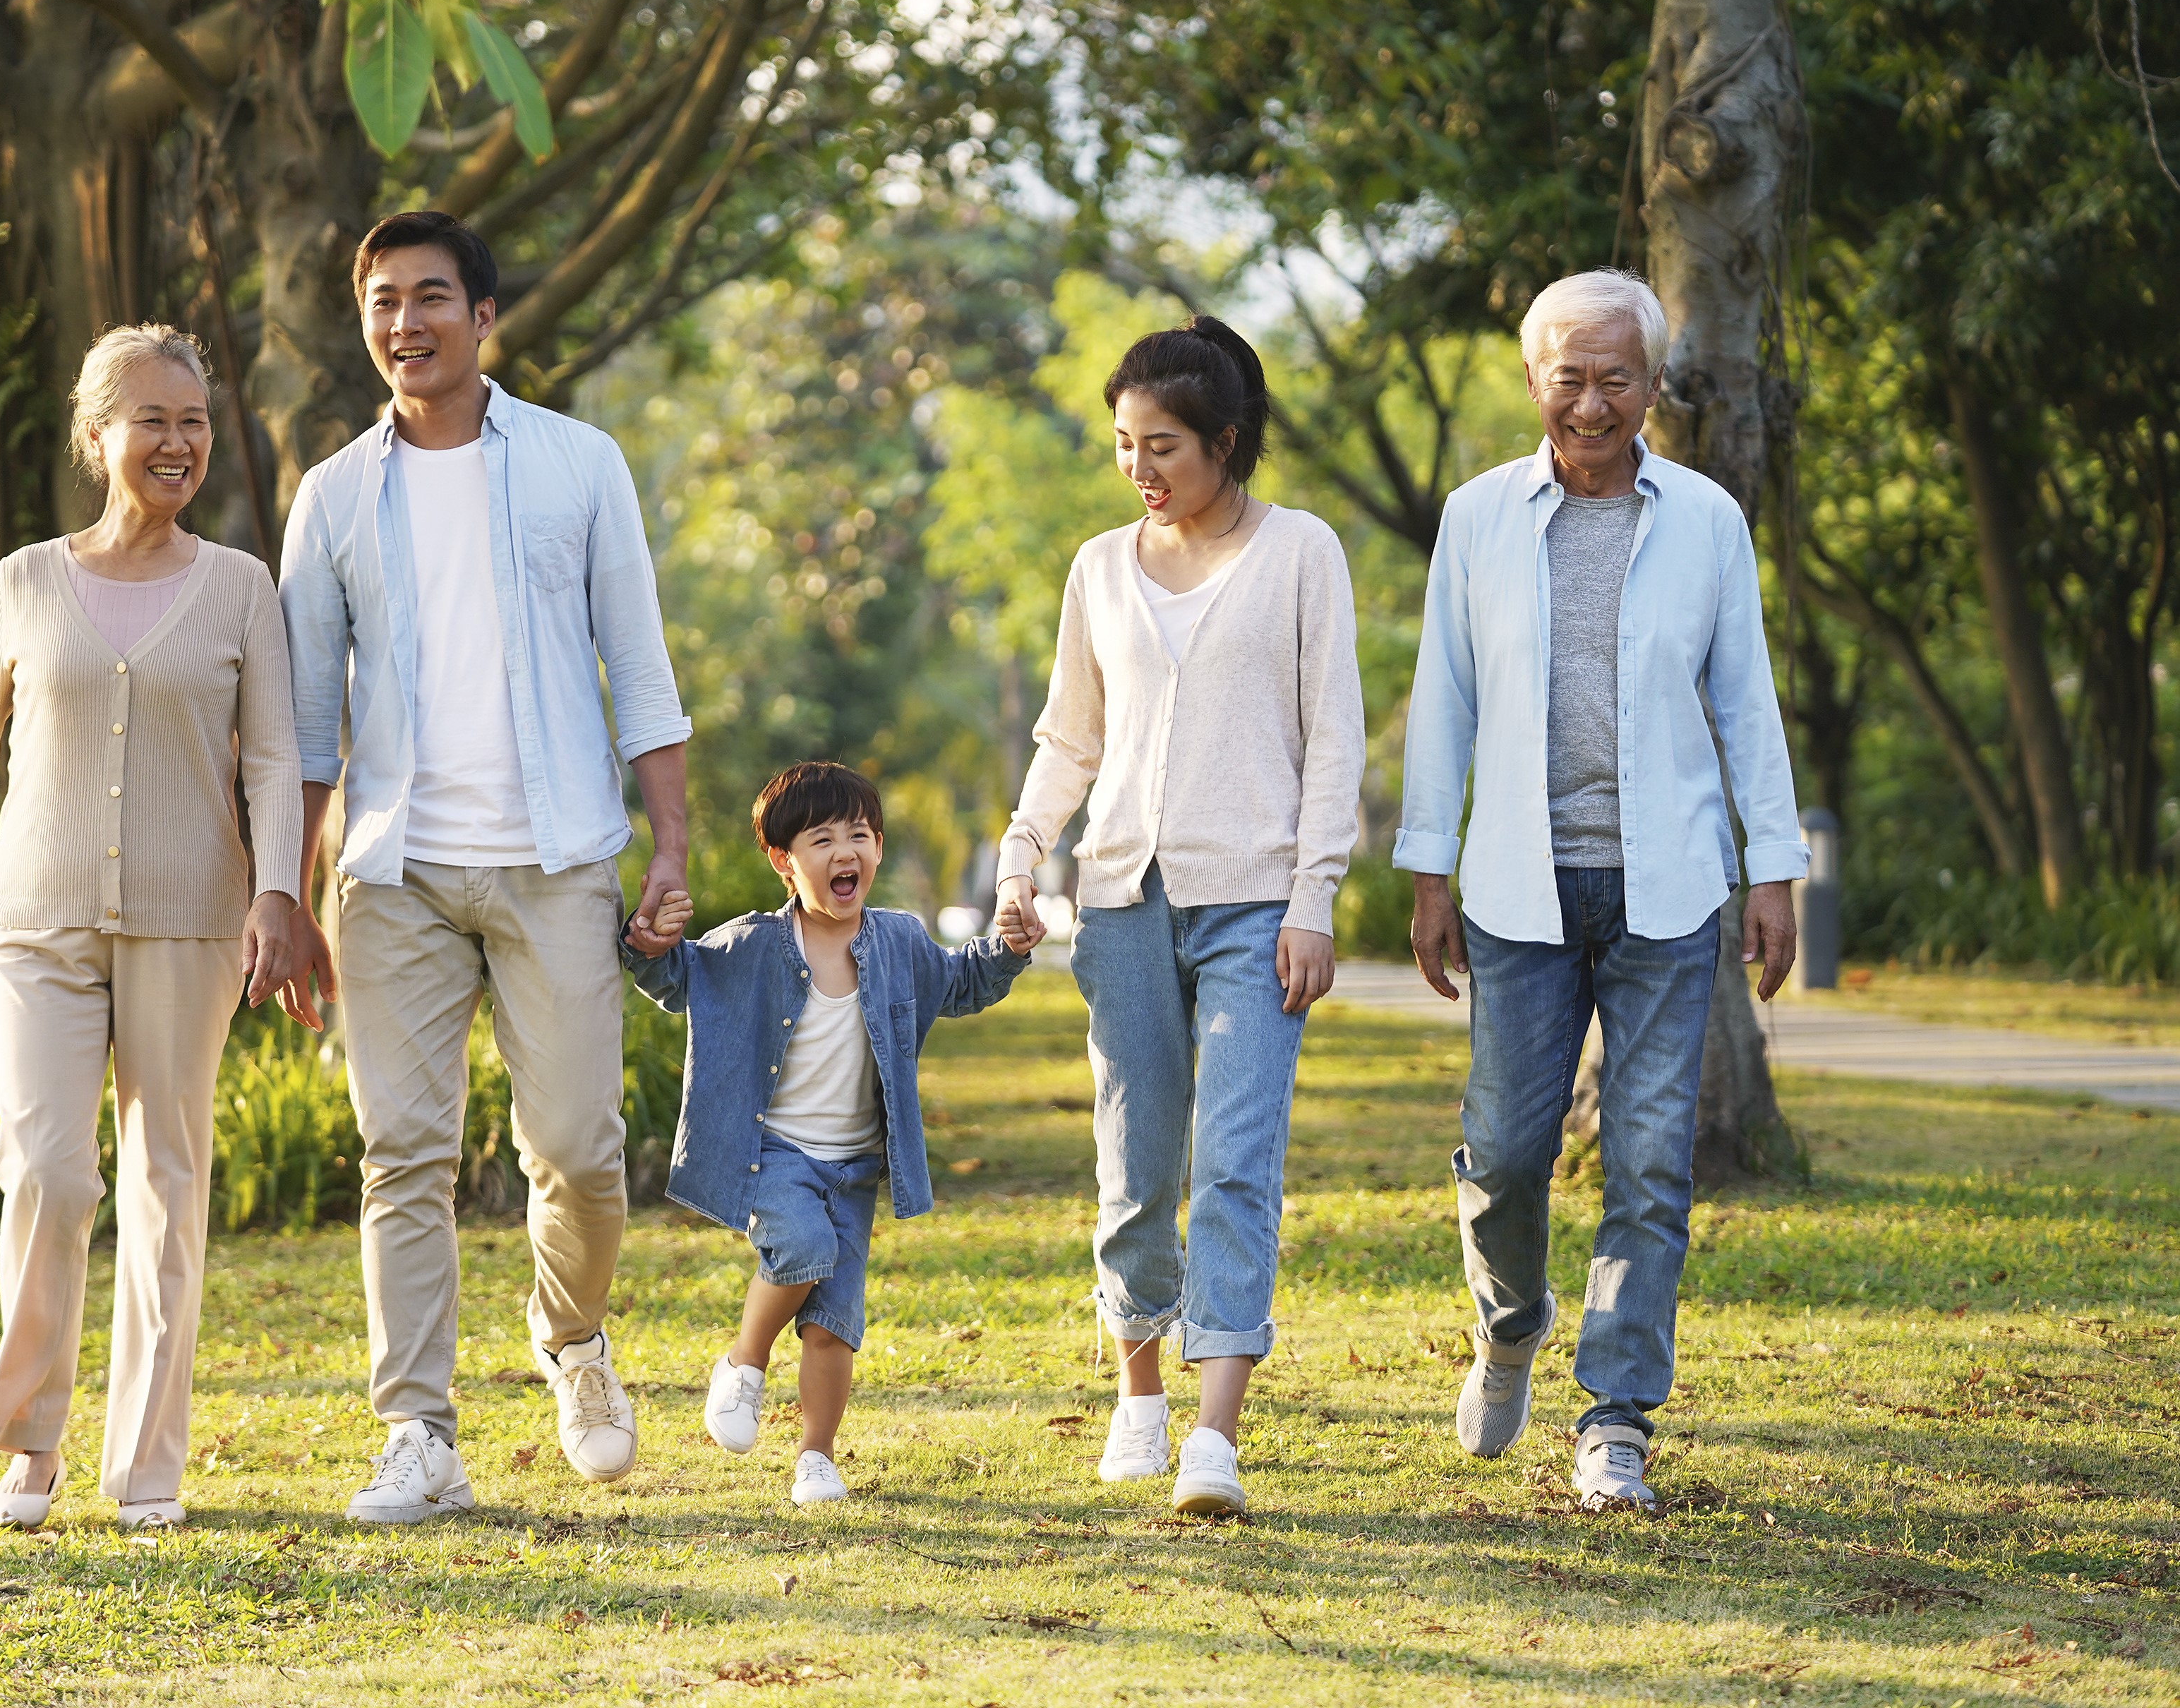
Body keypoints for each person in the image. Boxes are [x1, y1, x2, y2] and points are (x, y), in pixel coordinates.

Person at [279, 211, 692, 1521]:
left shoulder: (578, 464)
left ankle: (571, 1339)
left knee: (578, 1150)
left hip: (553, 855)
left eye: (431, 298)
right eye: (384, 302)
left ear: (483, 317)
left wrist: (670, 841)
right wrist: (284, 892)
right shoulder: (332, 494)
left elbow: (637, 662)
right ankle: (417, 1433)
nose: (406, 323)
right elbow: (297, 717)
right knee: (401, 1155)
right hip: (393, 869)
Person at [1393, 267, 1804, 1510]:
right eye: (1566, 377)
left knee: (1645, 1160)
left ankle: (1614, 1413)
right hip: (1517, 888)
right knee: (1509, 1154)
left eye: (1613, 378)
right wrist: (1426, 868)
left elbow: (1745, 701)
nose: (1589, 402)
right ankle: (1509, 1327)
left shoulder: (1704, 522)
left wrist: (1772, 866)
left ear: (1651, 386)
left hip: (1669, 888)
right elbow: (1443, 699)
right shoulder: (1474, 518)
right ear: (1532, 382)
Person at [0, 325, 302, 1532]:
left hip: (188, 920)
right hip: (35, 922)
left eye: (194, 422)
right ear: (96, 434)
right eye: (152, 420)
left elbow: (273, 759)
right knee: (51, 1175)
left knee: (169, 1185)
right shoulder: (24, 580)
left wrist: (279, 890)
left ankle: (148, 1464)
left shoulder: (238, 586)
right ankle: (30, 1439)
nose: (177, 443)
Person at [995, 316, 1365, 1517]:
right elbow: (1071, 737)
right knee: (1135, 1160)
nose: (1140, 470)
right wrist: (1020, 855)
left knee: (1237, 1160)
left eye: (1162, 446)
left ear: (1225, 439)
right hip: (1119, 901)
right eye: (1122, 446)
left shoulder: (1301, 552)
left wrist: (1314, 897)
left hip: (1256, 903)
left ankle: (1214, 1434)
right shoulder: (1099, 567)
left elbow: (1331, 742)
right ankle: (1138, 1394)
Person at [622, 761, 1034, 1505]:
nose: (846, 851)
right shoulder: (751, 945)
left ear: (876, 848)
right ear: (784, 861)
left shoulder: (901, 943)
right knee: (803, 1247)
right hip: (774, 1154)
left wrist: (1008, 947)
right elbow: (677, 978)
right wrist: (650, 942)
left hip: (853, 1167)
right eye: (823, 838)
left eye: (860, 835)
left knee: (834, 1326)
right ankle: (744, 1361)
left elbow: (962, 982)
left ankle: (815, 1456)